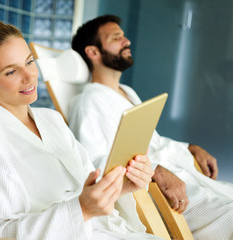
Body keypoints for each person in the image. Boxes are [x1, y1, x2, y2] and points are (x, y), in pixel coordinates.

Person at [0, 20, 161, 240]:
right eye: (11, 72)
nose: (29, 77)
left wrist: (120, 187)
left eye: (29, 62)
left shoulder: (52, 120)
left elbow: (86, 186)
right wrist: (80, 211)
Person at [69, 14, 233, 239]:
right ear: (93, 52)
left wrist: (191, 147)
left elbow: (154, 140)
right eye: (116, 37)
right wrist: (155, 170)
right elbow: (95, 162)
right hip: (156, 192)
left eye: (124, 36)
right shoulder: (88, 101)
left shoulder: (127, 93)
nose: (126, 41)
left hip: (177, 175)